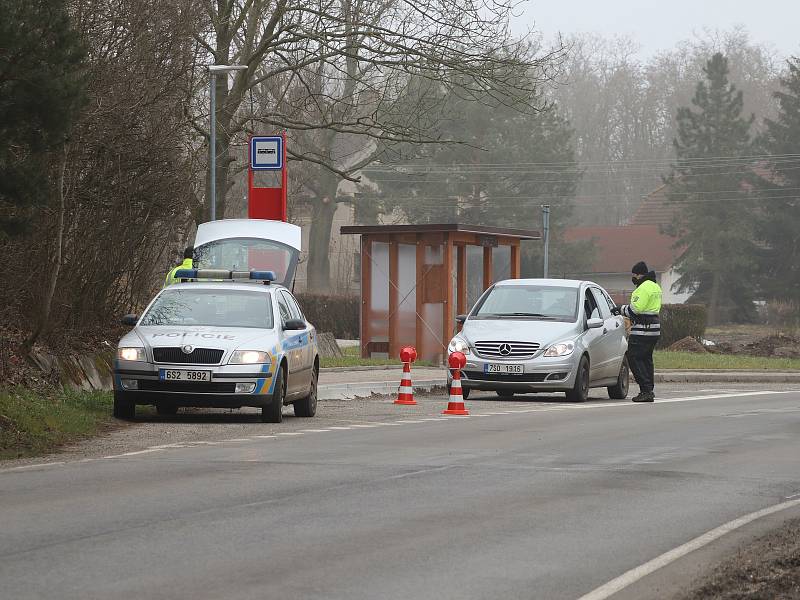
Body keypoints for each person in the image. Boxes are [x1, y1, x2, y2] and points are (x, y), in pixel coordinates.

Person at [611, 261, 662, 402]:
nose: (633, 277)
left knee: (634, 357)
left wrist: (620, 309)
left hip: (643, 329)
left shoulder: (642, 288)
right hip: (654, 328)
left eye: (634, 275)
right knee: (646, 359)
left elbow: (635, 309)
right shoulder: (655, 286)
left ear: (639, 274)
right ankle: (649, 389)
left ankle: (645, 390)